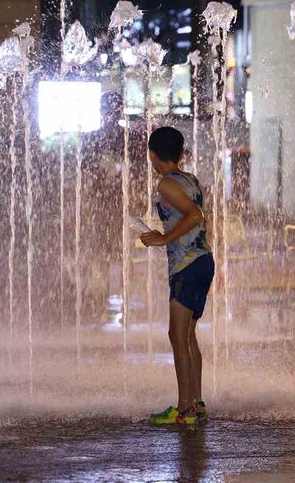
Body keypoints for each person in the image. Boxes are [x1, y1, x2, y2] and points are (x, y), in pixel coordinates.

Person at [140, 127, 214, 425]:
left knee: (176, 335)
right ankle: (196, 403)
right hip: (201, 261)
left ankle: (184, 411)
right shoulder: (190, 179)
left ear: (153, 155)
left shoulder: (166, 184)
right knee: (187, 335)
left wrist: (162, 238)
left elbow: (196, 215)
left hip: (187, 265)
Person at [81, 91, 147, 313]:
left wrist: (138, 200)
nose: (109, 114)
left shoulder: (132, 139)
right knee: (101, 254)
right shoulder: (91, 139)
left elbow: (141, 174)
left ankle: (126, 300)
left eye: (113, 110)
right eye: (107, 110)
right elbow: (84, 177)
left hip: (123, 206)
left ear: (119, 111)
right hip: (102, 207)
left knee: (124, 253)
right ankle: (101, 300)